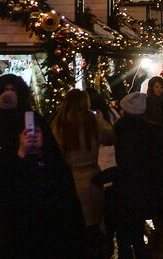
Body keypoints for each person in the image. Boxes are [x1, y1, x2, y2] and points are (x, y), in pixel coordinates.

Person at [0, 74, 85, 257]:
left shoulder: (34, 120)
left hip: (37, 208)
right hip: (7, 210)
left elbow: (55, 165)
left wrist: (40, 150)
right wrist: (20, 153)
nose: (9, 94)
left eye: (13, 90)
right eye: (5, 90)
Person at [52, 88, 115, 252]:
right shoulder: (92, 121)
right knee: (93, 225)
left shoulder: (60, 124)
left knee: (74, 226)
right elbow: (110, 138)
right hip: (92, 179)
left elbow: (56, 155)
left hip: (70, 180)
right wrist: (102, 121)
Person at [104, 92, 163, 259]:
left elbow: (119, 162)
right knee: (138, 235)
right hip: (143, 188)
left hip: (123, 189)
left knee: (124, 236)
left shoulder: (120, 129)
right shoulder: (152, 130)